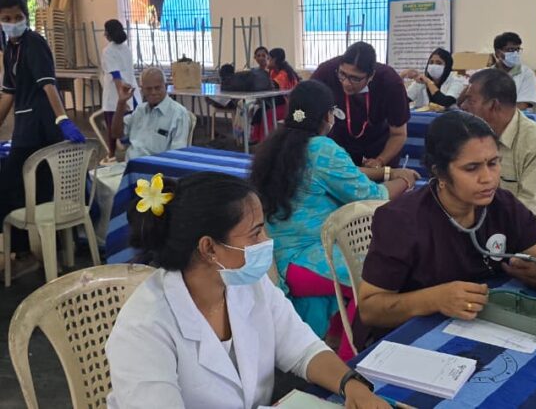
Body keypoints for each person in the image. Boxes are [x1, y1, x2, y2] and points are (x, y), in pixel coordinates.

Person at [106, 171, 389, 409]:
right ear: (209, 248)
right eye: (256, 233)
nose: (267, 241)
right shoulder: (144, 328)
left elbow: (302, 348)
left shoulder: (245, 283)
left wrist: (351, 385)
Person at [355, 111, 536, 351]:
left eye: (493, 163)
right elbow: (370, 310)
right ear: (439, 172)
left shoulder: (502, 206)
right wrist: (434, 299)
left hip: (480, 326)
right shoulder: (402, 220)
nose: (488, 178)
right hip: (410, 340)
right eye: (472, 168)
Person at [251, 80, 419, 341]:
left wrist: (387, 172)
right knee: (381, 281)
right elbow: (374, 197)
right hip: (308, 258)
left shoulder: (278, 144)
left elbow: (344, 172)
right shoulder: (322, 148)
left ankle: (335, 342)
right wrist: (405, 180)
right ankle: (352, 354)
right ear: (328, 115)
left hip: (280, 259)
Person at [0, 0, 85, 275]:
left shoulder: (34, 43)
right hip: (24, 129)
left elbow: (49, 85)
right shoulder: (10, 48)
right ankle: (40, 254)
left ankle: (36, 255)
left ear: (26, 16)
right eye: (6, 18)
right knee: (27, 191)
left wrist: (62, 119)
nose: (13, 22)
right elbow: (8, 93)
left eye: (18, 16)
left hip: (40, 129)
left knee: (18, 188)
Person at [460, 68, 536, 240]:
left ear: (494, 106)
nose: (463, 107)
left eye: (470, 101)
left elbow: (529, 212)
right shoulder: (481, 136)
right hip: (504, 223)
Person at [311, 42, 409, 175]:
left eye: (355, 78)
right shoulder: (326, 72)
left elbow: (399, 134)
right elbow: (301, 109)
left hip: (380, 144)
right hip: (340, 143)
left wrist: (380, 161)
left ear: (371, 76)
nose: (346, 83)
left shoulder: (390, 83)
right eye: (342, 74)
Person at [111, 67, 190, 160]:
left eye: (157, 88)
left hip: (156, 167)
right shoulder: (140, 110)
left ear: (165, 86)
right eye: (148, 89)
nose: (153, 92)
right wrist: (121, 102)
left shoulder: (179, 114)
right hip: (130, 164)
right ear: (142, 90)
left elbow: (177, 156)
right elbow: (116, 134)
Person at [101, 19, 141, 163]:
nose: (104, 34)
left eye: (105, 31)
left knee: (113, 127)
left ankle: (111, 155)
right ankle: (131, 152)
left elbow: (116, 75)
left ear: (109, 33)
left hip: (116, 96)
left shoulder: (108, 51)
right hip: (132, 93)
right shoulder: (126, 48)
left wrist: (122, 100)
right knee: (132, 127)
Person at [250, 47, 299, 143]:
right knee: (259, 112)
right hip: (278, 102)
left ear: (275, 60)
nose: (266, 61)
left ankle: (267, 142)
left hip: (290, 105)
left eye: (268, 58)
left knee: (268, 115)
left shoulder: (284, 73)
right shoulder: (273, 71)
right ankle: (256, 138)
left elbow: (272, 86)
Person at [402, 48, 467, 109]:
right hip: (423, 116)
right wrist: (401, 76)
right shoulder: (421, 80)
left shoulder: (456, 81)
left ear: (447, 66)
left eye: (439, 63)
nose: (434, 65)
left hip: (448, 116)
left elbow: (445, 102)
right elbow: (402, 100)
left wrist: (428, 82)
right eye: (431, 62)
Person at [493, 32, 536, 110]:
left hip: (518, 115)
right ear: (498, 53)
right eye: (510, 50)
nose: (515, 53)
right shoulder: (487, 75)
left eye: (517, 49)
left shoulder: (526, 74)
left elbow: (523, 104)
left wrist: (497, 112)